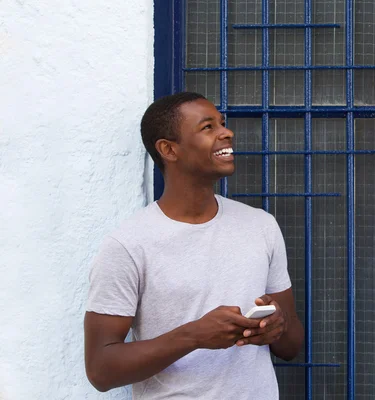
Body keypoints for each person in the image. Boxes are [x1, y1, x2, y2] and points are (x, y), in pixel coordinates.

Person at [84, 92, 304, 399]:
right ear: (169, 149)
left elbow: (292, 345)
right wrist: (194, 335)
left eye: (222, 124)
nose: (226, 133)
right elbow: (101, 370)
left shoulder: (260, 226)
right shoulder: (128, 245)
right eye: (208, 127)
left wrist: (275, 326)